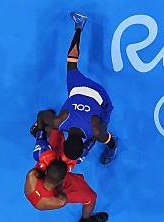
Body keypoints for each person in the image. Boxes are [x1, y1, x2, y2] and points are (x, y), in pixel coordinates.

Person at [34, 11, 118, 165]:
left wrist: (101, 137)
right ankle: (79, 25)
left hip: (100, 95)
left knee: (104, 133)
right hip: (78, 87)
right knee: (71, 62)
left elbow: (104, 136)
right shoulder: (58, 123)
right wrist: (39, 132)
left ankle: (112, 150)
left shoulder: (95, 132)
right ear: (64, 141)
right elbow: (41, 115)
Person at [25, 129, 109, 222]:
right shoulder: (59, 201)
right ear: (64, 178)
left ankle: (56, 127)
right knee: (91, 197)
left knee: (55, 130)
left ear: (47, 170)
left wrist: (41, 134)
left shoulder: (32, 175)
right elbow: (61, 193)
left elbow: (44, 157)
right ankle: (85, 221)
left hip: (46, 179)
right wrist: (91, 140)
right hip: (56, 190)